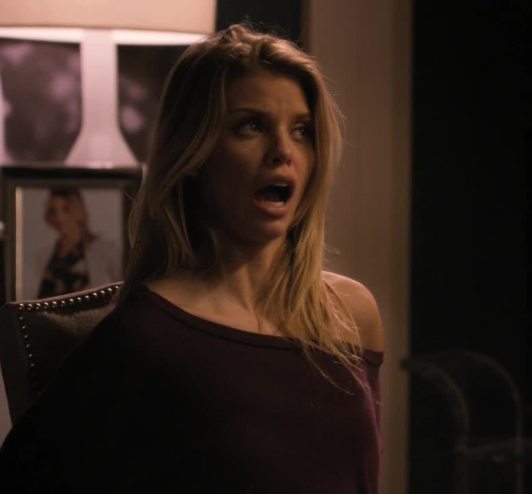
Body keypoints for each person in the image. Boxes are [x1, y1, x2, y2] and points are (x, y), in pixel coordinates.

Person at [0, 24, 384, 492]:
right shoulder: (146, 337)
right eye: (251, 126)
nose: (283, 152)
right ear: (194, 154)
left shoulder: (352, 315)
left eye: (302, 130)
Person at [29, 187, 121, 299]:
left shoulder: (104, 249)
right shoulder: (45, 255)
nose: (59, 217)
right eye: (53, 211)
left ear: (78, 212)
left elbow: (123, 287)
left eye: (66, 209)